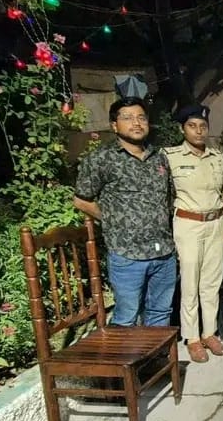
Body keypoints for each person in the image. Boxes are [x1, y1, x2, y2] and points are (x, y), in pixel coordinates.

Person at [74, 97, 176, 326]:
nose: (136, 123)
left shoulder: (159, 157)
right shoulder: (101, 159)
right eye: (127, 118)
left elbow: (168, 198)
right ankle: (126, 351)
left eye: (141, 117)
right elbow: (81, 200)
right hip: (127, 254)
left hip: (163, 251)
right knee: (126, 316)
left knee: (160, 312)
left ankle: (155, 351)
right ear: (114, 125)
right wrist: (113, 221)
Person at [164, 104, 223, 363]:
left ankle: (209, 332)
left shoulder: (217, 157)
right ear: (183, 129)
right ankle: (192, 337)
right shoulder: (170, 157)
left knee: (212, 282)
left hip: (216, 222)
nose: (198, 131)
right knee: (190, 282)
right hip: (188, 224)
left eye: (203, 126)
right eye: (192, 126)